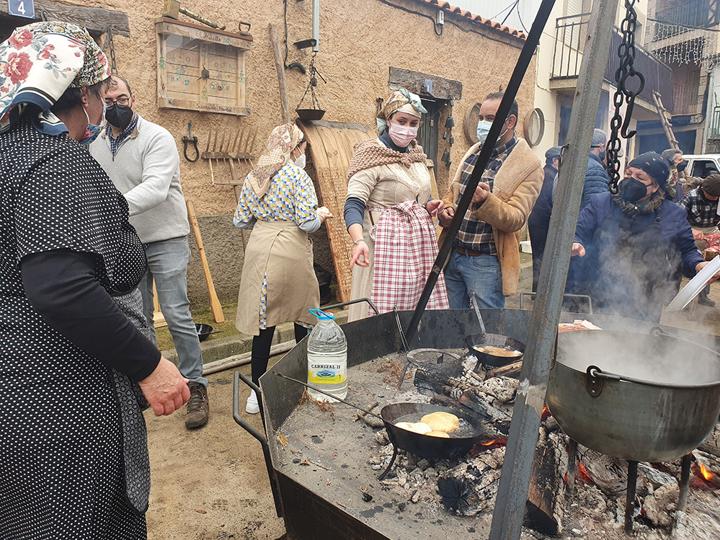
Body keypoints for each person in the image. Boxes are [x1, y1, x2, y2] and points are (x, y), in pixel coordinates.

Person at [0, 22, 188, 538]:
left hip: (15, 386)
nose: (104, 108)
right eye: (101, 95)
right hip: (57, 392)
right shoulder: (51, 157)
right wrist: (149, 365)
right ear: (82, 93)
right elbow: (61, 285)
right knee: (74, 518)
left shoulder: (7, 152)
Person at [90, 75, 209, 430]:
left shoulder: (157, 137)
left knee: (175, 313)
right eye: (108, 99)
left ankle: (196, 385)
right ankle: (149, 382)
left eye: (122, 98)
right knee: (136, 317)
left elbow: (156, 188)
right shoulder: (93, 141)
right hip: (125, 239)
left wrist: (107, 209)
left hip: (166, 237)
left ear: (134, 98)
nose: (115, 105)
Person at [234, 123, 331, 413]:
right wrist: (321, 215)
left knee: (262, 324)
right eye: (303, 147)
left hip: (259, 248)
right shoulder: (298, 176)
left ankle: (255, 395)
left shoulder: (255, 175)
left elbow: (239, 220)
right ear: (295, 148)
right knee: (302, 317)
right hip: (289, 248)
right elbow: (306, 223)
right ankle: (305, 384)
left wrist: (265, 220)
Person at [344, 88, 448, 322]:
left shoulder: (417, 157)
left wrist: (429, 205)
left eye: (413, 123)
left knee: (413, 312)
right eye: (402, 121)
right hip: (382, 250)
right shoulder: (371, 156)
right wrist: (359, 241)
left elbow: (420, 196)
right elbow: (353, 204)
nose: (407, 128)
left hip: (417, 251)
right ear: (388, 119)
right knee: (379, 314)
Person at [572, 152, 715, 322]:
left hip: (647, 296)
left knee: (639, 344)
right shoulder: (601, 203)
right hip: (597, 289)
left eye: (640, 177)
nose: (630, 180)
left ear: (655, 186)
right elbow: (578, 231)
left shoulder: (672, 214)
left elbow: (687, 251)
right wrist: (575, 243)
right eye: (628, 173)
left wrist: (698, 265)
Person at [439, 92, 543, 309]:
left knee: (484, 331)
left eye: (490, 119)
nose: (483, 124)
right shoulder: (474, 152)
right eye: (482, 118)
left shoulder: (528, 165)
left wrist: (486, 202)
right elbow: (452, 193)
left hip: (485, 262)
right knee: (448, 327)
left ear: (510, 122)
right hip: (453, 255)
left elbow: (516, 218)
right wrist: (446, 209)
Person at [565, 129, 610, 297]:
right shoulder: (596, 170)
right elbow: (597, 209)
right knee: (580, 286)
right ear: (601, 147)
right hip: (583, 238)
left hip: (569, 232)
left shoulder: (571, 164)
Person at [682, 173, 720, 306]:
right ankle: (682, 297)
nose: (715, 199)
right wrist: (689, 230)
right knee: (693, 264)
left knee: (709, 266)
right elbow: (678, 218)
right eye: (713, 196)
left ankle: (703, 297)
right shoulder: (690, 197)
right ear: (703, 190)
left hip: (712, 231)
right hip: (692, 231)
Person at [528, 146, 561, 291]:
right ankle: (539, 290)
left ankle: (538, 289)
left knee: (539, 256)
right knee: (541, 257)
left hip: (536, 221)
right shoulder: (550, 176)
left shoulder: (544, 172)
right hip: (542, 223)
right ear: (555, 160)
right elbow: (549, 202)